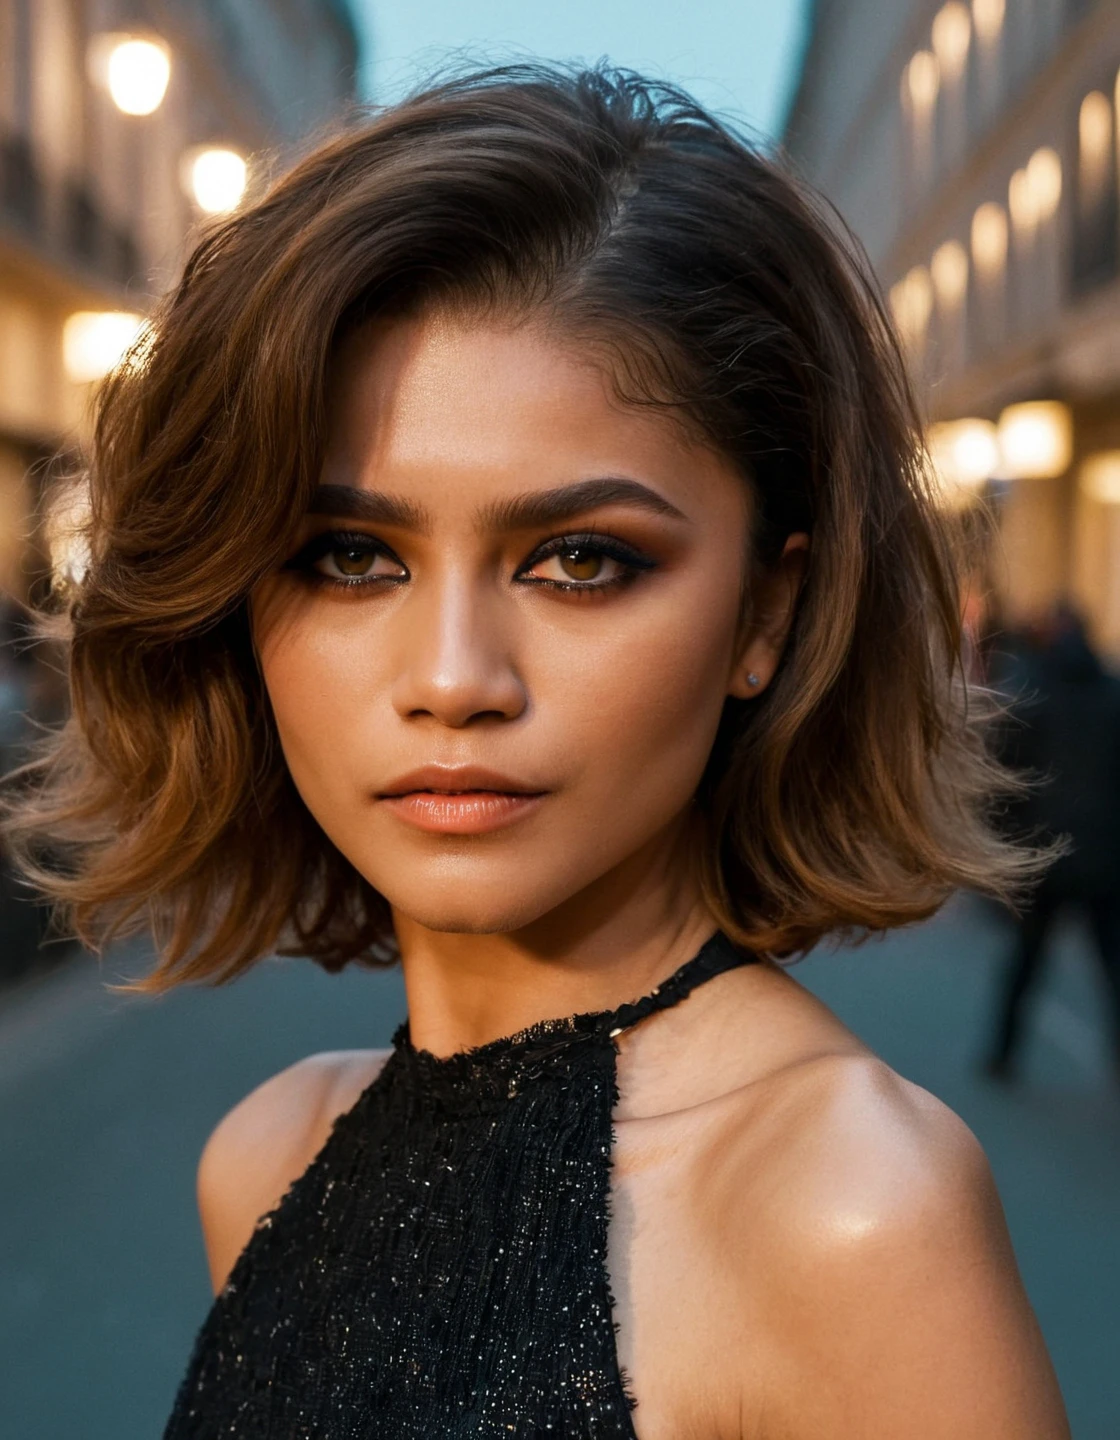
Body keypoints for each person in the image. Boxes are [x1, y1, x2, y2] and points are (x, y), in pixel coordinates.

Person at [1, 65, 1069, 1439]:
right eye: (349, 556)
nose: (453, 679)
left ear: (766, 609)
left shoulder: (849, 1205)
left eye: (581, 559)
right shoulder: (269, 1153)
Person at [985, 603, 1120, 1082]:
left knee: (1026, 960)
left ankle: (1002, 1054)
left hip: (1049, 855)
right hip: (1105, 858)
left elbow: (1007, 780)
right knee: (1111, 967)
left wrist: (1003, 853)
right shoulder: (1112, 696)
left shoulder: (1035, 695)